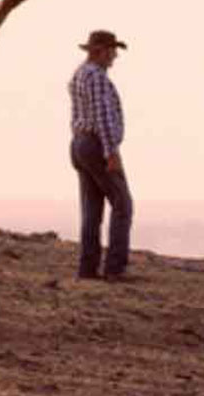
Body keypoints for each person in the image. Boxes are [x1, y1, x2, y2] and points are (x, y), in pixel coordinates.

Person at [68, 30, 134, 281]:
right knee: (123, 203)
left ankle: (87, 268)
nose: (115, 56)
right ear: (99, 51)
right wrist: (111, 152)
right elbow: (102, 118)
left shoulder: (79, 74)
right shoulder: (96, 77)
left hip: (80, 143)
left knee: (91, 209)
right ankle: (115, 268)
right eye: (111, 50)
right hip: (96, 145)